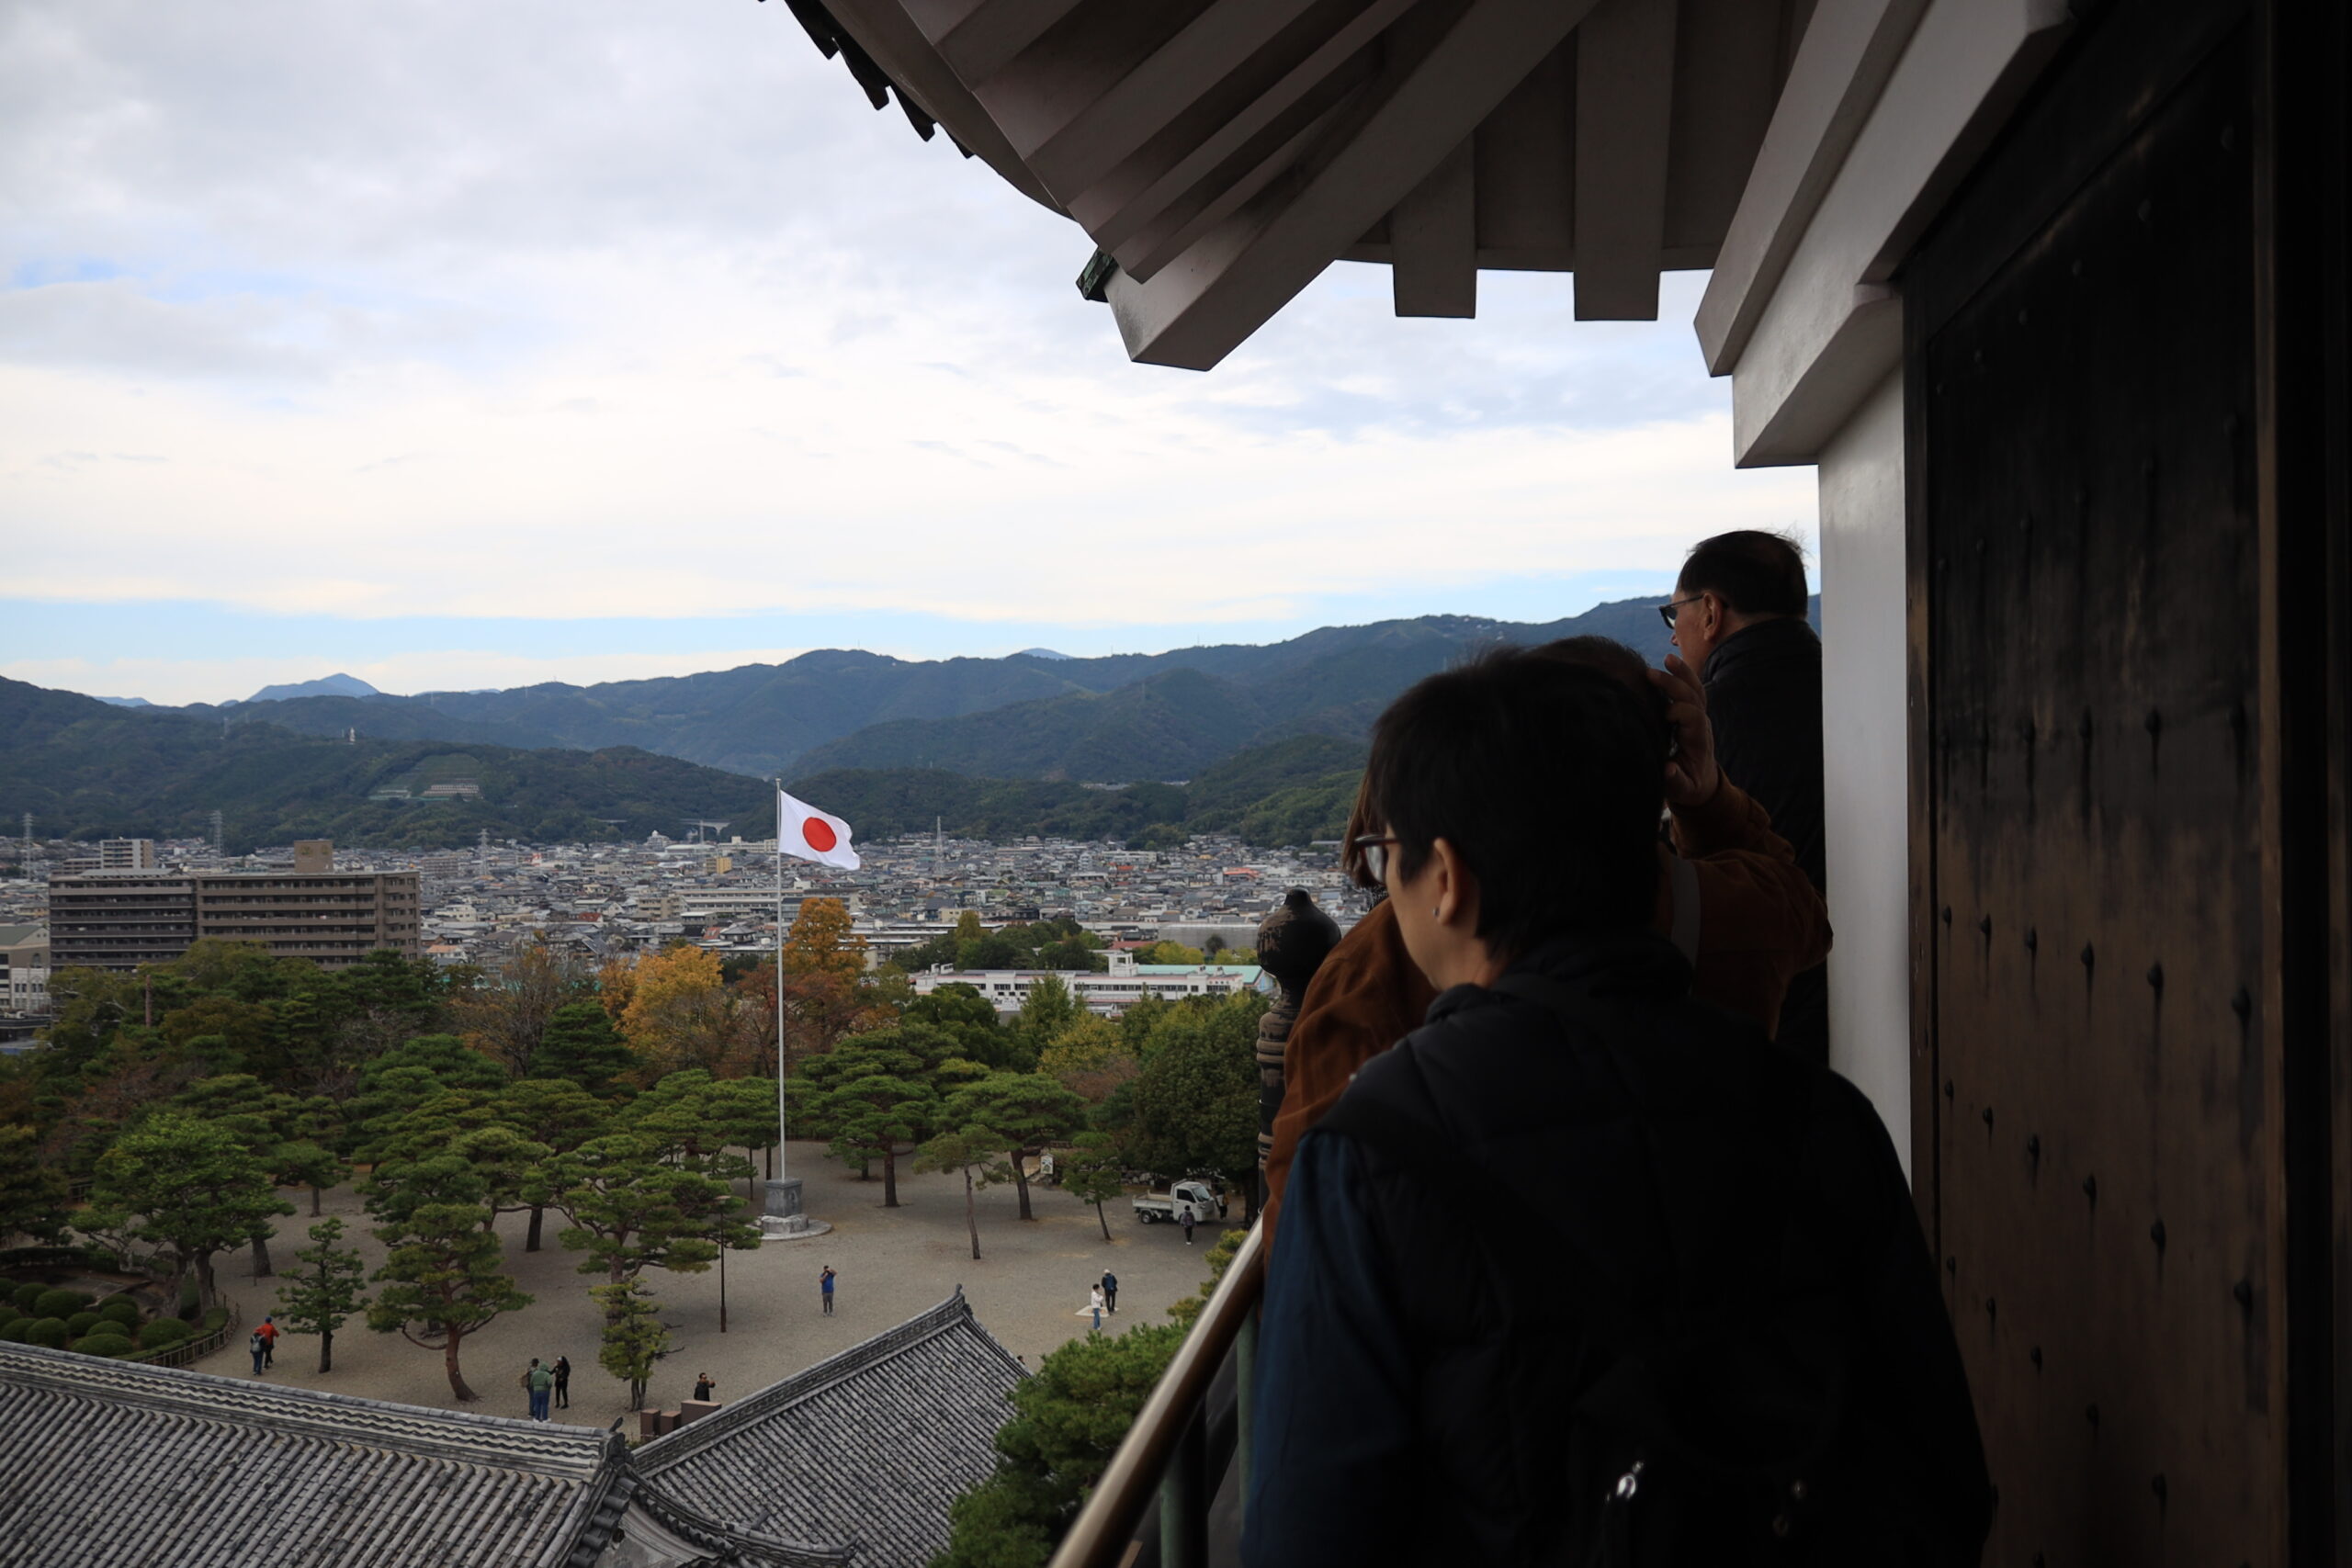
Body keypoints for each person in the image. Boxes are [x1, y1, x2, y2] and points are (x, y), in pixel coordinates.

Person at [1242, 649, 1988, 1567]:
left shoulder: (1368, 1145)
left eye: (1384, 855)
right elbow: (1941, 1472)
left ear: (1446, 874)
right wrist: (1708, 798)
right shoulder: (1823, 1115)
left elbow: (1310, 1520)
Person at [1261, 637, 1831, 1243]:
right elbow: (1804, 915)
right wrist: (1710, 798)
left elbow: (1304, 1230)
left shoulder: (1385, 958)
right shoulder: (1735, 918)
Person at [1665, 528, 1828, 1062]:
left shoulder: (1698, 728)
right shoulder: (1861, 685)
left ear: (1710, 612)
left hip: (1766, 1005)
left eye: (1675, 616)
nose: (1673, 637)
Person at [523, 1358, 552, 1422]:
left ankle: (534, 1415)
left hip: (534, 1388)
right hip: (542, 1389)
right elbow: (549, 1383)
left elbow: (531, 1381)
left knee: (534, 1400)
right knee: (543, 1404)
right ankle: (543, 1417)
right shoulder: (544, 1373)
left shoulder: (530, 1370)